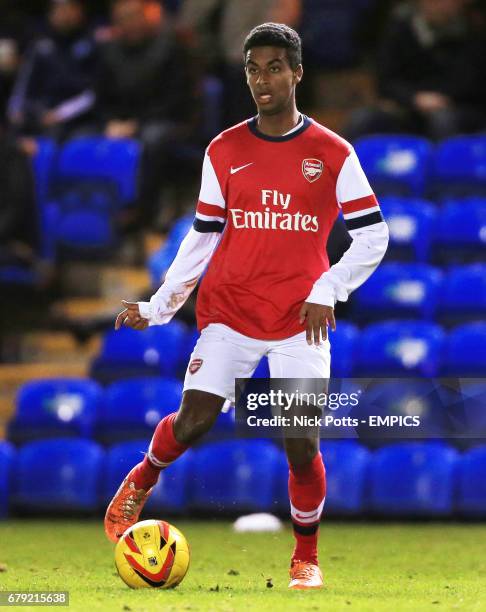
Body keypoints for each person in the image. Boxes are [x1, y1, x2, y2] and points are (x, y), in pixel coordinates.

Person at [104, 23, 389, 589]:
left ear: (297, 73)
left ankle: (305, 556)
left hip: (298, 321)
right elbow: (203, 235)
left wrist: (327, 288)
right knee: (194, 421)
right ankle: (142, 478)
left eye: (275, 67)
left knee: (301, 439)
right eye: (253, 68)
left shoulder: (333, 153)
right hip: (231, 311)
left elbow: (374, 235)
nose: (263, 78)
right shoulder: (225, 149)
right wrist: (160, 305)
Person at [96, 0, 195, 227]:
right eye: (122, 19)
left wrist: (136, 124)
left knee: (151, 140)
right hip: (121, 122)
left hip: (168, 120)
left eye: (133, 16)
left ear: (147, 16)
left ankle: (141, 213)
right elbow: (100, 97)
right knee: (82, 137)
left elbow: (177, 100)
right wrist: (110, 122)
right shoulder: (109, 51)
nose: (128, 23)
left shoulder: (170, 49)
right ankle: (100, 213)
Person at [345, 0, 486, 141]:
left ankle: (447, 162)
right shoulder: (400, 30)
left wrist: (439, 99)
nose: (441, 5)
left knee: (442, 120)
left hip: (458, 107)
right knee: (363, 119)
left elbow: (472, 83)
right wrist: (414, 99)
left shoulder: (474, 31)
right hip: (410, 107)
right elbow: (386, 82)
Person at [7, 0, 97, 139]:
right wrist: (15, 111)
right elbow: (23, 85)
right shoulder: (40, 46)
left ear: (79, 12)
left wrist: (60, 114)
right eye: (59, 9)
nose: (65, 14)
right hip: (41, 113)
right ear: (50, 14)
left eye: (69, 8)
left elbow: (93, 93)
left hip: (79, 118)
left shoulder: (92, 45)